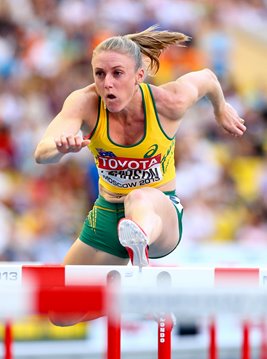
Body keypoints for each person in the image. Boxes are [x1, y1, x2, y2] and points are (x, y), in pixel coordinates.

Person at [34, 25, 246, 271]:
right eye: (100, 74)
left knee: (139, 198)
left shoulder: (169, 101)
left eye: (117, 73)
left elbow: (208, 78)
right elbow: (42, 154)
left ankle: (139, 242)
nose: (107, 83)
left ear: (139, 76)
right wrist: (60, 148)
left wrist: (220, 109)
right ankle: (140, 296)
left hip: (159, 214)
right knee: (61, 307)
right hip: (109, 211)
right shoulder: (84, 102)